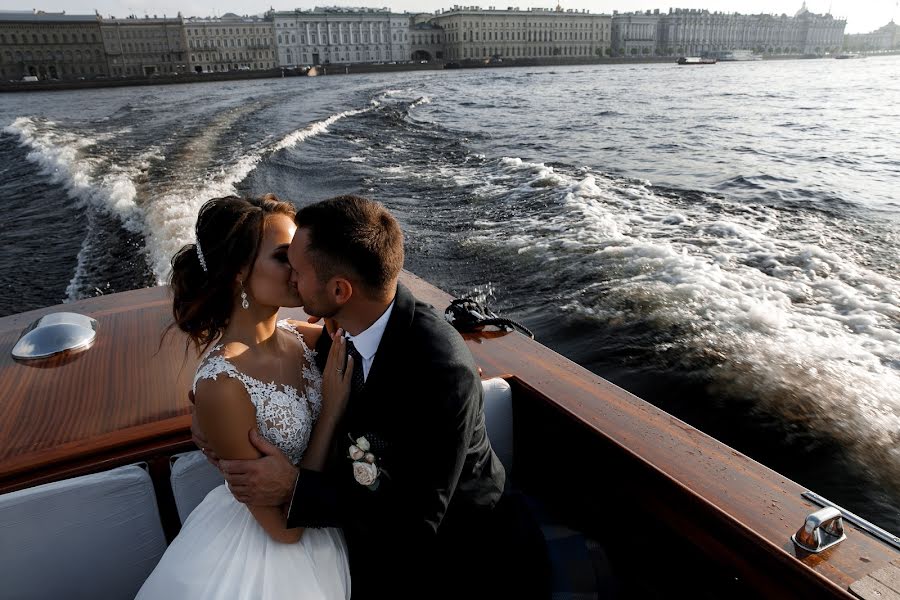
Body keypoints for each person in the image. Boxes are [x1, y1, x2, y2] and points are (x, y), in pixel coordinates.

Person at [195, 195, 550, 599]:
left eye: (297, 266)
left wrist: (296, 486)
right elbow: (237, 371)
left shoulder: (439, 371)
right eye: (285, 259)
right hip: (357, 539)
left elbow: (414, 523)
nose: (293, 275)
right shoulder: (335, 331)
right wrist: (207, 412)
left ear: (340, 289)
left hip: (462, 561)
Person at [136, 195, 352, 600]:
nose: (300, 268)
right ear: (238, 272)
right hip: (275, 552)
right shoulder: (222, 386)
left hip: (329, 518)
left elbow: (371, 342)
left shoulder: (301, 337)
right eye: (284, 257)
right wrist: (331, 411)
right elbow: (284, 531)